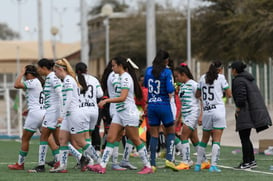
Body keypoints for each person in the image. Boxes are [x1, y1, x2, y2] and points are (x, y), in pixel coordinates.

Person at [89, 56, 153, 174]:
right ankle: (102, 166)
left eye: (113, 65)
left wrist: (106, 100)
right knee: (110, 138)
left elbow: (123, 97)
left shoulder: (126, 78)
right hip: (120, 113)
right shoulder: (119, 77)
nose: (112, 68)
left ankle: (148, 166)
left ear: (120, 66)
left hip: (129, 113)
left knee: (135, 139)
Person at [48, 58, 101, 173]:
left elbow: (68, 100)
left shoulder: (67, 80)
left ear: (60, 69)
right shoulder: (69, 79)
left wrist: (61, 115)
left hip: (74, 114)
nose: (54, 73)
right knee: (62, 139)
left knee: (80, 141)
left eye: (55, 71)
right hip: (68, 114)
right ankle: (62, 166)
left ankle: (99, 162)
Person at [229, 61, 272, 169]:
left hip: (245, 112)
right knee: (246, 137)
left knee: (244, 138)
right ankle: (251, 161)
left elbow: (241, 97)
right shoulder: (248, 79)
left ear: (235, 70)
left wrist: (238, 108)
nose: (230, 71)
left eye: (231, 69)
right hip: (251, 111)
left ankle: (246, 162)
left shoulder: (238, 80)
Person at [194, 61, 231, 172]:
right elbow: (229, 94)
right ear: (220, 69)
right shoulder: (221, 78)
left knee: (204, 139)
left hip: (207, 111)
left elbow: (197, 94)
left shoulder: (202, 78)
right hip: (218, 110)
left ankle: (197, 165)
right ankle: (213, 165)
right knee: (216, 139)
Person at [144, 50, 177, 171]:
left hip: (152, 105)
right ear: (166, 60)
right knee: (171, 132)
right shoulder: (167, 72)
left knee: (154, 134)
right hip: (164, 105)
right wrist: (175, 86)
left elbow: (146, 85)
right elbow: (169, 89)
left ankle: (152, 163)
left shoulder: (148, 71)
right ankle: (169, 159)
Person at [8, 65, 46, 170]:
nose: (24, 77)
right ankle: (60, 159)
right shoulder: (39, 82)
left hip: (35, 115)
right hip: (43, 113)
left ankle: (20, 164)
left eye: (25, 75)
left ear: (28, 74)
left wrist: (21, 72)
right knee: (50, 139)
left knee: (25, 138)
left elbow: (16, 84)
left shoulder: (33, 81)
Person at [28, 59, 62, 173]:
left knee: (44, 136)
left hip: (53, 113)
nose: (37, 70)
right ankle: (81, 158)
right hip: (51, 112)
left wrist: (61, 113)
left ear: (43, 68)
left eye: (38, 67)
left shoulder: (52, 77)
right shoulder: (49, 78)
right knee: (58, 140)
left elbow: (60, 93)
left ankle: (41, 166)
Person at [173, 63, 206, 170]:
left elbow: (202, 100)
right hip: (186, 115)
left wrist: (201, 115)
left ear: (183, 74)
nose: (176, 79)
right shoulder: (182, 86)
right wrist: (178, 118)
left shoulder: (193, 84)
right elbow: (183, 103)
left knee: (183, 136)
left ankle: (186, 161)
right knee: (194, 139)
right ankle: (204, 160)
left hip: (193, 114)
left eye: (177, 76)